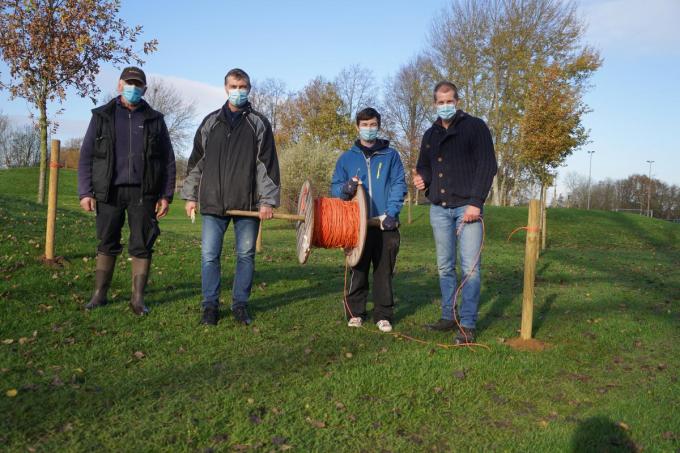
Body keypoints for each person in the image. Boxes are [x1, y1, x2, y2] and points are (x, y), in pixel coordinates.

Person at [181, 68, 280, 326]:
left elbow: (267, 165)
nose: (238, 91)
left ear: (249, 89)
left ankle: (240, 305)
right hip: (213, 203)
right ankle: (210, 306)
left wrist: (267, 201)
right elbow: (195, 163)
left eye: (243, 86)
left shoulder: (259, 124)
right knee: (209, 256)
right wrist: (190, 196)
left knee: (245, 255)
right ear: (226, 88)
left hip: (247, 205)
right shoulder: (210, 122)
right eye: (234, 86)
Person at [78, 66, 176, 315]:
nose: (133, 88)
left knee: (142, 244)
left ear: (144, 89)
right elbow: (87, 155)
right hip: (108, 192)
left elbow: (168, 161)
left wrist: (166, 195)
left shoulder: (155, 120)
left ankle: (138, 299)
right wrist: (85, 192)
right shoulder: (102, 116)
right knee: (106, 242)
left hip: (144, 194)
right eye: (129, 83)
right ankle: (99, 295)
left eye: (138, 84)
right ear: (120, 85)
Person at [413, 81, 497, 344]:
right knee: (444, 267)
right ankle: (448, 316)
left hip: (467, 208)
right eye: (440, 102)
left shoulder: (475, 127)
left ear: (457, 101)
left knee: (470, 268)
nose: (445, 106)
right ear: (434, 104)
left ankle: (468, 323)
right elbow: (423, 166)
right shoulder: (430, 134)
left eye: (449, 101)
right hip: (439, 209)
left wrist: (475, 202)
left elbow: (487, 165)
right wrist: (422, 179)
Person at [331, 107, 407, 333]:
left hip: (385, 224)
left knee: (384, 271)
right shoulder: (346, 158)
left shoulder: (391, 156)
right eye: (364, 125)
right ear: (357, 127)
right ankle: (355, 313)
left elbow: (398, 184)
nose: (369, 129)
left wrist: (391, 213)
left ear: (378, 126)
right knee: (359, 269)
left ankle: (383, 315)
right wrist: (346, 188)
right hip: (357, 225)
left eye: (372, 124)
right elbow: (335, 188)